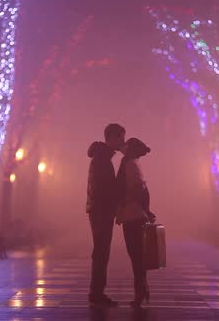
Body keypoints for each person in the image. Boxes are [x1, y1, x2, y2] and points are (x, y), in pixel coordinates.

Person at [86, 123, 126, 307]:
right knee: (101, 251)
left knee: (101, 251)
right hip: (101, 211)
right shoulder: (102, 159)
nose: (122, 142)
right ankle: (96, 293)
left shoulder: (102, 158)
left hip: (99, 210)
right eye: (120, 138)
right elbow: (104, 189)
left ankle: (97, 292)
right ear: (110, 138)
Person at [116, 138, 156, 308]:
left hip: (133, 216)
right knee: (137, 255)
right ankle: (142, 289)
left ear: (130, 149)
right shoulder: (132, 163)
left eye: (126, 144)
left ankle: (140, 292)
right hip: (133, 214)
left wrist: (125, 203)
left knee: (136, 255)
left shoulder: (130, 164)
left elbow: (140, 189)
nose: (123, 146)